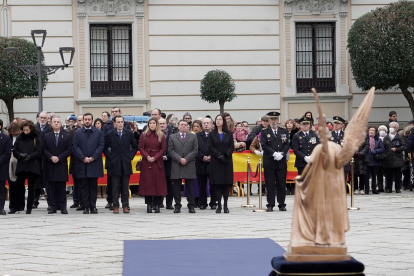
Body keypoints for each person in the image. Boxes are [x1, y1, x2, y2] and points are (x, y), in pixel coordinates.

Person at [104, 115, 138, 214]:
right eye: (118, 122)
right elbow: (105, 148)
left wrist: (130, 156)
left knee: (125, 185)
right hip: (114, 163)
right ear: (114, 124)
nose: (120, 124)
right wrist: (110, 157)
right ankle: (115, 205)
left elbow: (135, 147)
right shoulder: (110, 134)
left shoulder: (129, 133)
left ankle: (125, 205)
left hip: (126, 162)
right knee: (114, 186)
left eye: (121, 122)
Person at [73, 113, 105, 214]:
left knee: (93, 186)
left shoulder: (98, 132)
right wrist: (83, 157)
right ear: (83, 120)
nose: (87, 121)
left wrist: (92, 157)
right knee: (83, 187)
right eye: (85, 119)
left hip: (94, 163)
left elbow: (101, 146)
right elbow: (75, 146)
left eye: (89, 119)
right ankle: (86, 207)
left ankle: (93, 206)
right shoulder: (78, 133)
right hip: (82, 163)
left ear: (92, 120)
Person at [260, 111, 290, 211]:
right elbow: (264, 145)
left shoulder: (283, 131)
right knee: (270, 184)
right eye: (271, 119)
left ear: (278, 120)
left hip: (281, 161)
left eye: (275, 119)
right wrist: (274, 154)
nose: (273, 121)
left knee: (281, 183)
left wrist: (282, 154)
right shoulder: (264, 132)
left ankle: (282, 204)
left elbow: (287, 144)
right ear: (269, 120)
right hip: (270, 161)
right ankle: (270, 204)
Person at [42, 116, 72, 214]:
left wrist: (59, 157)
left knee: (61, 188)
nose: (56, 123)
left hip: (61, 164)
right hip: (50, 165)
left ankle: (63, 207)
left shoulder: (66, 136)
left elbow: (69, 149)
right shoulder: (47, 136)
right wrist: (51, 157)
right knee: (51, 188)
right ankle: (52, 207)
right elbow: (43, 149)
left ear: (61, 123)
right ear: (51, 123)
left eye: (58, 122)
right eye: (54, 122)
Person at [10, 121, 41, 214]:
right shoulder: (20, 138)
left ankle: (29, 207)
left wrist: (30, 156)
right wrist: (20, 155)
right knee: (18, 187)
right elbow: (15, 151)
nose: (25, 132)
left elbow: (39, 151)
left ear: (31, 129)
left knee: (31, 188)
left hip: (32, 165)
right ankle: (16, 207)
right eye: (24, 130)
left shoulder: (36, 137)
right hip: (22, 165)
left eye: (27, 130)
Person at [168, 120, 198, 214]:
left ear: (188, 127)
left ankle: (191, 206)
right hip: (177, 164)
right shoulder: (172, 137)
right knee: (176, 187)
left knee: (190, 186)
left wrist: (186, 159)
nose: (184, 126)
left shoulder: (193, 136)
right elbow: (171, 150)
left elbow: (195, 150)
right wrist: (180, 159)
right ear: (178, 126)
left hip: (189, 164)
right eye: (182, 125)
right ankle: (177, 205)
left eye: (185, 125)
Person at [138, 117, 168, 213]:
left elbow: (163, 149)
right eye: (150, 123)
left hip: (157, 161)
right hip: (147, 162)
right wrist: (147, 157)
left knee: (158, 183)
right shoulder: (144, 135)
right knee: (147, 183)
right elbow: (141, 147)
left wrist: (155, 157)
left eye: (153, 123)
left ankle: (157, 204)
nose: (152, 125)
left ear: (156, 124)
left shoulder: (161, 135)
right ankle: (148, 204)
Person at [207, 114, 234, 214]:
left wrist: (226, 155)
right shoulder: (212, 133)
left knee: (225, 184)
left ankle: (226, 205)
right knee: (218, 184)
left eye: (220, 119)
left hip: (227, 161)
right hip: (216, 161)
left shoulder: (229, 133)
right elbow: (210, 147)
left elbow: (231, 146)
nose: (218, 121)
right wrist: (219, 155)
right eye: (217, 119)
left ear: (223, 121)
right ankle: (218, 205)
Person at [196, 118, 215, 210]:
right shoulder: (197, 135)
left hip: (213, 163)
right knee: (202, 185)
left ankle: (213, 202)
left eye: (208, 123)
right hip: (201, 164)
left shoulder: (215, 135)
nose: (206, 125)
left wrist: (212, 156)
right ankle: (202, 203)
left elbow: (219, 148)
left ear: (211, 124)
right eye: (204, 123)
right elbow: (195, 149)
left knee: (214, 184)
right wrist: (202, 156)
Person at [34, 111, 51, 208]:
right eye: (41, 118)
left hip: (47, 157)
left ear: (47, 119)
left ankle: (50, 202)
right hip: (37, 158)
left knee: (48, 181)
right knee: (36, 180)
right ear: (38, 118)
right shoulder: (34, 128)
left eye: (45, 118)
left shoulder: (50, 128)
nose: (43, 119)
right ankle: (35, 201)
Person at [7, 122, 24, 212]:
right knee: (11, 185)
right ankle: (12, 205)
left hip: (19, 162)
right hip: (10, 163)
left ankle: (21, 204)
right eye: (11, 131)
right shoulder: (8, 138)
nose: (13, 133)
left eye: (14, 131)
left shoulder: (21, 137)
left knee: (20, 185)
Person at [383, 122, 404, 193]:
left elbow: (404, 146)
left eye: (392, 127)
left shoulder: (399, 137)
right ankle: (388, 188)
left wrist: (397, 149)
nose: (390, 128)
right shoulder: (386, 137)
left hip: (397, 158)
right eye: (389, 127)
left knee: (398, 175)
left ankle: (398, 188)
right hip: (388, 158)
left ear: (396, 128)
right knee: (388, 175)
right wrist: (384, 155)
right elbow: (383, 147)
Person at [187, 119, 203, 208]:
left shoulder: (201, 135)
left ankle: (200, 199)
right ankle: (192, 200)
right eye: (194, 126)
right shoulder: (190, 135)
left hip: (199, 162)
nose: (196, 128)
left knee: (199, 182)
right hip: (191, 161)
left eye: (198, 126)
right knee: (193, 183)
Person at [69, 115, 83, 210]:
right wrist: (79, 155)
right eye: (79, 120)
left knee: (84, 184)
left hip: (86, 161)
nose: (81, 122)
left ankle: (84, 201)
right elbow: (70, 147)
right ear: (76, 122)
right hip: (75, 161)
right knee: (76, 183)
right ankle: (76, 200)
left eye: (83, 120)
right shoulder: (71, 133)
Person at [365, 126, 385, 195]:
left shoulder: (378, 139)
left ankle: (374, 189)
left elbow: (382, 149)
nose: (371, 131)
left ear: (375, 132)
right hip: (367, 159)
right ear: (368, 131)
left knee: (374, 176)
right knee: (366, 176)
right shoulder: (365, 138)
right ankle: (366, 189)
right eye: (370, 130)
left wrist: (376, 151)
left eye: (373, 130)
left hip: (375, 159)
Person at [331, 116, 351, 186]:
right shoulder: (329, 134)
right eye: (334, 123)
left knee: (342, 182)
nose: (336, 125)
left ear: (342, 125)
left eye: (338, 123)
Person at [159, 118, 173, 209]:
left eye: (163, 123)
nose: (162, 125)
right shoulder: (154, 135)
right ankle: (159, 202)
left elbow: (173, 149)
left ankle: (169, 203)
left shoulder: (172, 135)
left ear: (166, 124)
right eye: (160, 124)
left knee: (169, 183)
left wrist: (167, 156)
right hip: (157, 161)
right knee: (159, 182)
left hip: (169, 162)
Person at [0, 119, 12, 215]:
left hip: (1, 167)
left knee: (1, 190)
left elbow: (7, 153)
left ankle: (1, 208)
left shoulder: (6, 138)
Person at [93, 118, 105, 198]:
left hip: (104, 155)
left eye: (99, 123)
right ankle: (98, 191)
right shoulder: (93, 133)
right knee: (96, 175)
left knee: (104, 175)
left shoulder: (104, 133)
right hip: (96, 155)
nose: (97, 125)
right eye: (96, 123)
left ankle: (104, 191)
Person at [376, 125, 388, 192]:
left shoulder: (388, 137)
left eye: (383, 129)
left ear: (386, 131)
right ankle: (380, 187)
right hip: (379, 157)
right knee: (379, 173)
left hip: (387, 157)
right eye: (381, 129)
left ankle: (387, 186)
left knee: (387, 173)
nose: (382, 131)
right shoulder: (377, 138)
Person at [401, 126, 412, 190]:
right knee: (406, 172)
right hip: (405, 156)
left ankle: (408, 184)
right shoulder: (403, 138)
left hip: (410, 155)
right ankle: (405, 184)